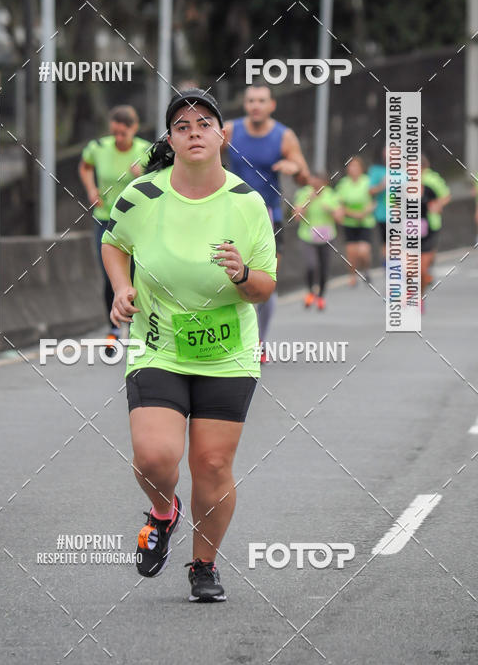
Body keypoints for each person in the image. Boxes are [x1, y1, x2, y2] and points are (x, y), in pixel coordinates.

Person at [101, 88, 276, 602]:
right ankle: (163, 512)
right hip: (159, 345)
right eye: (182, 125)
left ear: (223, 135)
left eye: (204, 123)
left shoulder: (247, 203)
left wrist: (243, 275)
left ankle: (204, 564)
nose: (194, 131)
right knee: (155, 457)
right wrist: (122, 287)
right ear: (171, 139)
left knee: (212, 465)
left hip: (227, 353)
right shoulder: (144, 195)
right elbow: (113, 242)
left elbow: (265, 285)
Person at [223, 84, 308, 361]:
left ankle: (259, 341)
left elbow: (304, 176)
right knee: (229, 279)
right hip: (231, 215)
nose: (255, 105)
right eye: (250, 100)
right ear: (245, 104)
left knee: (265, 280)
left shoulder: (284, 136)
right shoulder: (230, 131)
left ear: (271, 105)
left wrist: (293, 169)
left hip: (269, 217)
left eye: (261, 100)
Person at [78, 106, 150, 349]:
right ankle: (115, 327)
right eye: (115, 133)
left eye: (124, 134)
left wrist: (145, 173)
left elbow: (163, 179)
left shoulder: (145, 151)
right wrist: (91, 189)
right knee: (111, 276)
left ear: (134, 129)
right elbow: (85, 165)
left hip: (136, 222)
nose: (119, 139)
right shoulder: (98, 148)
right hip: (106, 219)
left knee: (136, 276)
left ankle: (139, 325)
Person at [293, 174, 342, 310]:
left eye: (319, 182)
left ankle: (320, 296)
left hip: (327, 237)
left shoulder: (331, 195)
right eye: (313, 181)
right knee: (311, 265)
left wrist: (331, 210)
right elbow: (296, 216)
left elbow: (340, 217)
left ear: (325, 183)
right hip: (307, 236)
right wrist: (308, 201)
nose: (316, 185)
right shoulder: (304, 193)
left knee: (324, 268)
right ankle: (310, 292)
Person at [335, 157, 375, 285]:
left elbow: (374, 201)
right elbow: (339, 204)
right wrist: (351, 213)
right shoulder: (343, 184)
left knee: (363, 251)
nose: (353, 169)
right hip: (350, 222)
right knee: (351, 252)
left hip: (365, 222)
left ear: (361, 168)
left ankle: (366, 269)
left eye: (356, 166)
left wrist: (364, 212)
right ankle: (352, 275)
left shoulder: (368, 181)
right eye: (351, 166)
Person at [420, 155, 451, 295]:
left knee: (427, 257)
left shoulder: (433, 179)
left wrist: (437, 204)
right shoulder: (403, 180)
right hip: (408, 227)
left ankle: (426, 272)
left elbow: (445, 196)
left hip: (431, 222)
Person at [368, 148, 387, 265]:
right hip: (384, 214)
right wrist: (382, 186)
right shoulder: (376, 170)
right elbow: (370, 191)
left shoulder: (405, 168)